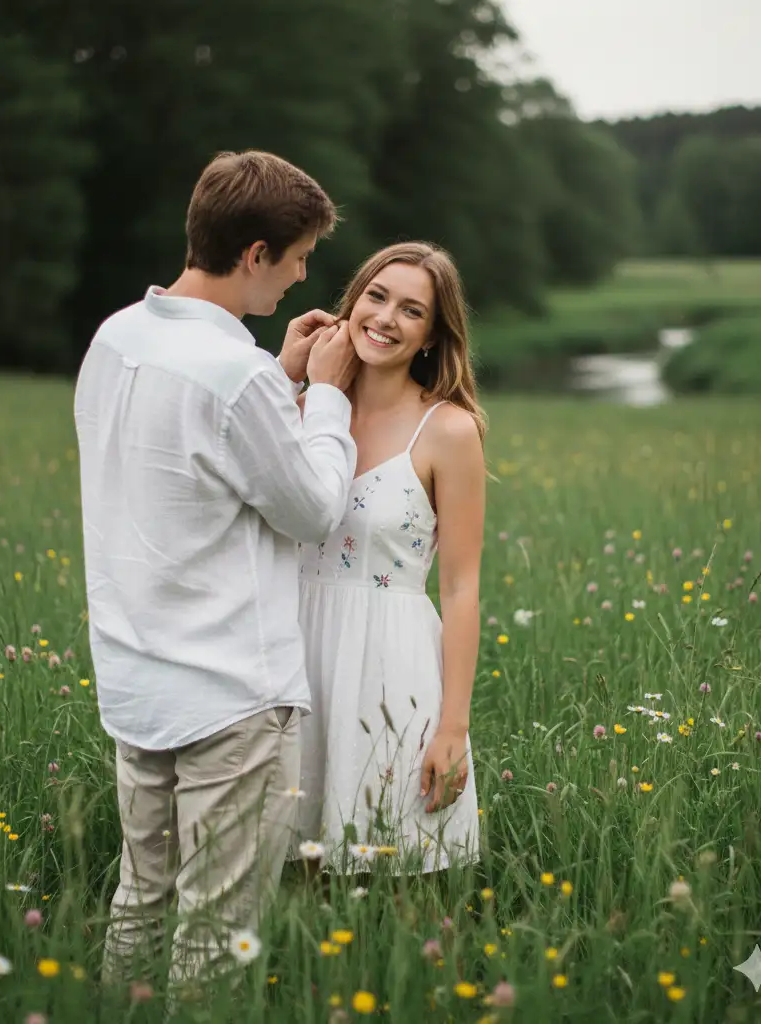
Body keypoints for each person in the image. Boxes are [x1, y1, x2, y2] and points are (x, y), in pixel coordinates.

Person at [73, 150, 360, 984]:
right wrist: (329, 396)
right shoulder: (236, 375)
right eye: (299, 255)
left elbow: (190, 454)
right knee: (217, 937)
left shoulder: (116, 337)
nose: (304, 275)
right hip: (232, 698)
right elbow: (310, 508)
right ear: (254, 255)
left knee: (141, 899)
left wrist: (281, 378)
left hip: (136, 679)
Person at [295, 241, 486, 874]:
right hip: (291, 657)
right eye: (376, 296)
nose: (385, 318)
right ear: (352, 303)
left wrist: (453, 729)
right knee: (285, 870)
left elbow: (461, 588)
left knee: (388, 875)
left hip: (387, 668)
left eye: (411, 310)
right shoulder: (301, 411)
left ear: (431, 335)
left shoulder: (448, 430)